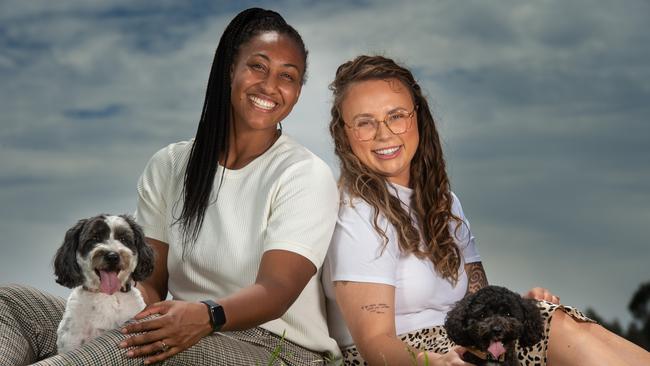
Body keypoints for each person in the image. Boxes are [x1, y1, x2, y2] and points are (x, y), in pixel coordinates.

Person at [0, 8, 340, 365]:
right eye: (258, 66)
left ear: (298, 91)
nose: (270, 86)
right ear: (229, 70)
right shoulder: (170, 164)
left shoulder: (304, 174)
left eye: (289, 76)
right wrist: (115, 307)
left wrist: (205, 316)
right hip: (180, 322)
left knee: (127, 346)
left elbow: (277, 290)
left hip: (276, 348)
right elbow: (149, 282)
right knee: (14, 304)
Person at [321, 55, 650, 366]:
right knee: (557, 328)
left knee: (552, 316)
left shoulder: (443, 202)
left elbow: (478, 302)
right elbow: (373, 343)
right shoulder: (356, 212)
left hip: (460, 344)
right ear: (344, 134)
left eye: (396, 116)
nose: (384, 133)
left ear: (417, 116)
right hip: (409, 356)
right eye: (365, 123)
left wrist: (517, 310)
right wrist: (435, 361)